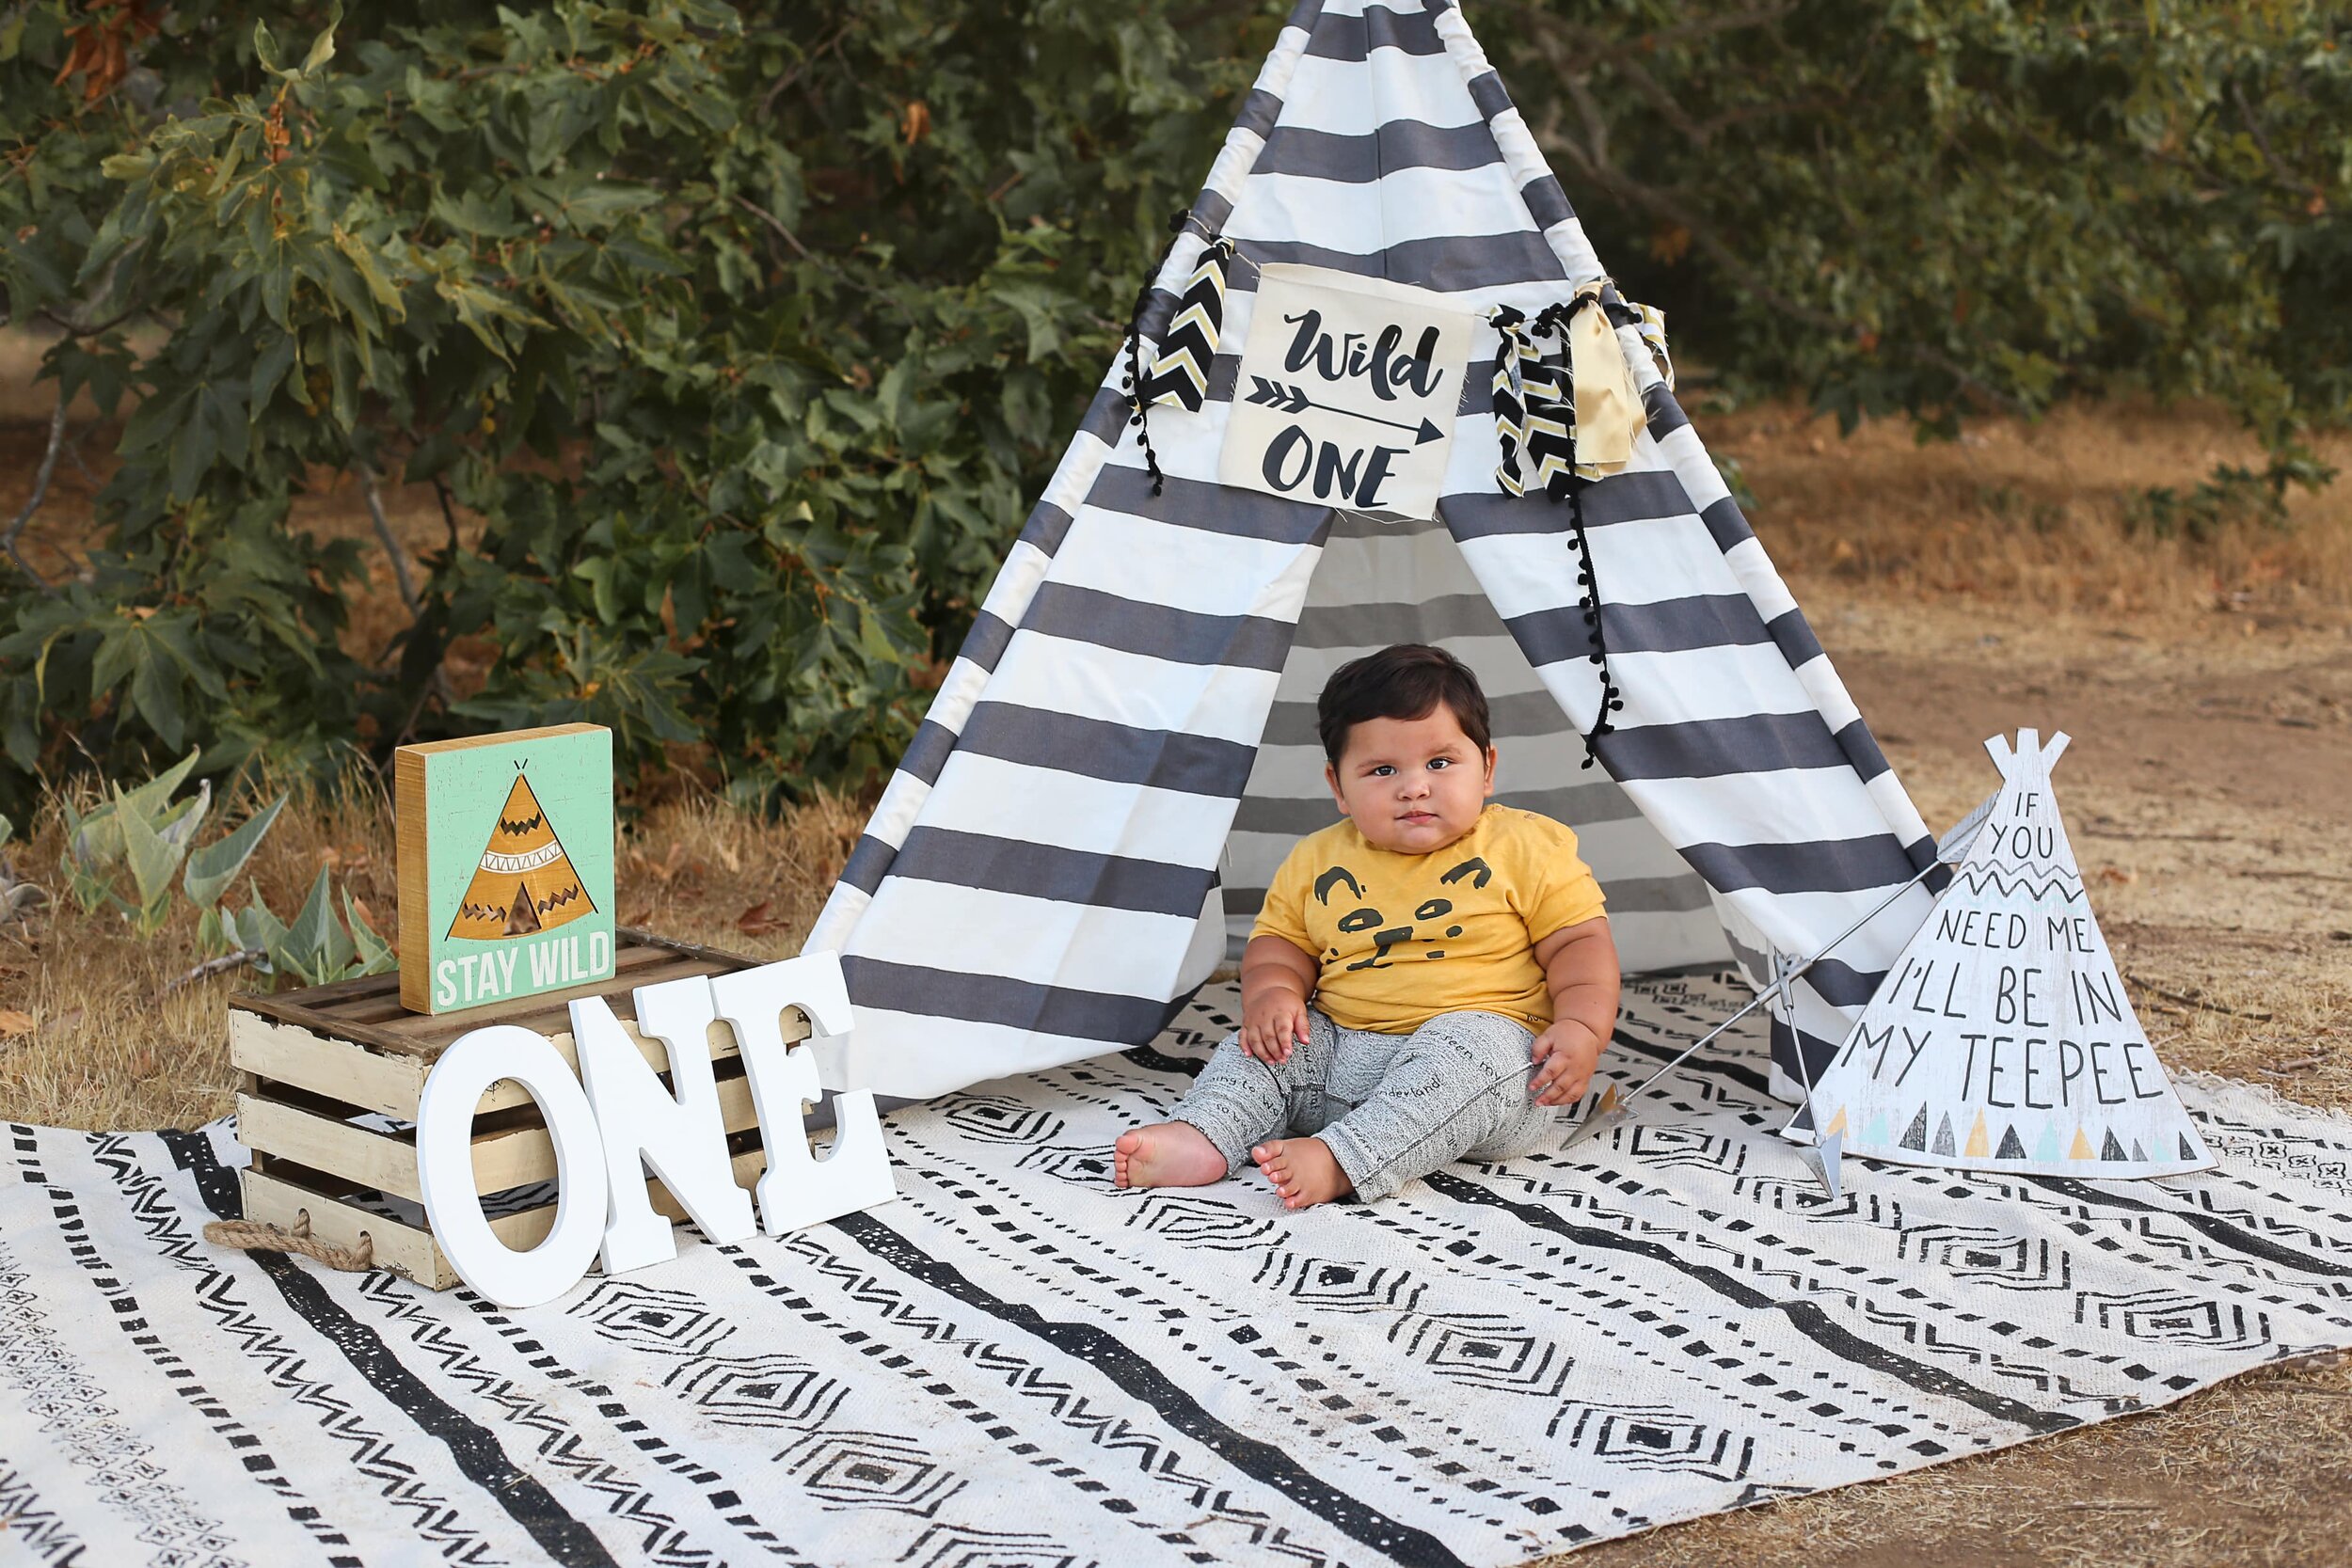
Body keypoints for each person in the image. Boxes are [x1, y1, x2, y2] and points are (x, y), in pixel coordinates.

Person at [1114, 642, 1620, 1208]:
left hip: (1486, 1083)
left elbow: (1580, 945)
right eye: (1382, 770)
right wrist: (1273, 995)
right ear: (1338, 787)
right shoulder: (1316, 860)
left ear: (1487, 768)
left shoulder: (1527, 846)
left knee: (1475, 1048)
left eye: (1440, 763)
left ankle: (1344, 1161)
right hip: (1340, 1056)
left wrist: (1582, 1028)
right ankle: (1206, 1134)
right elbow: (1281, 945)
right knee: (1264, 1048)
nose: (1414, 787)